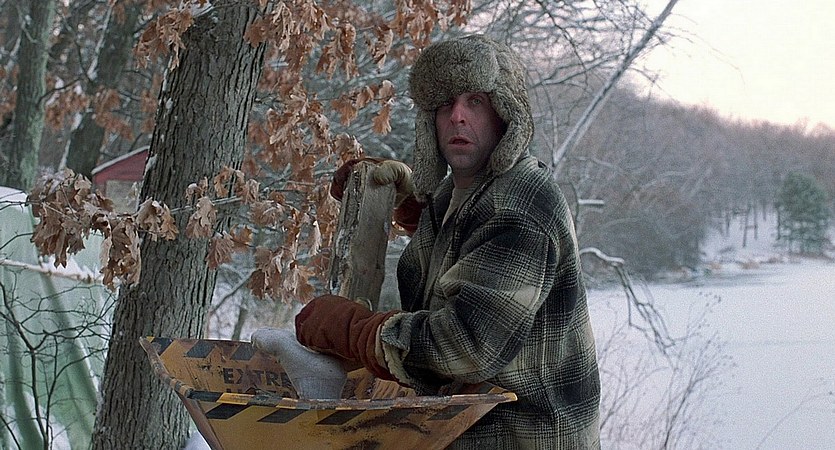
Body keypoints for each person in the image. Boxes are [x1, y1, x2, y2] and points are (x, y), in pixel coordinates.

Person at [294, 34, 601, 448]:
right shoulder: (462, 193)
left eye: (475, 101)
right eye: (445, 103)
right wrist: (409, 205)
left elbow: (466, 346)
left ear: (505, 114)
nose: (457, 116)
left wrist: (354, 330)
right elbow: (470, 248)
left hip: (522, 437)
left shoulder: (524, 206)